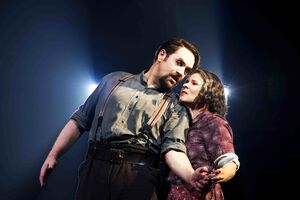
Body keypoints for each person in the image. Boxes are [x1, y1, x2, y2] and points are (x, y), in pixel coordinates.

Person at [39, 38, 205, 200]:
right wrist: (53, 154)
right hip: (94, 169)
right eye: (180, 63)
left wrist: (190, 175)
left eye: (187, 71)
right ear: (162, 55)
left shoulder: (176, 105)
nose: (181, 73)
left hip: (136, 177)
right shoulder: (113, 80)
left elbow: (174, 148)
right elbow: (80, 120)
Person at [167, 69, 240, 200]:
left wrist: (223, 173)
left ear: (207, 92)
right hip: (175, 193)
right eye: (187, 81)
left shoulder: (213, 122)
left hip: (199, 195)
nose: (185, 84)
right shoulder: (181, 123)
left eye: (194, 83)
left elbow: (229, 160)